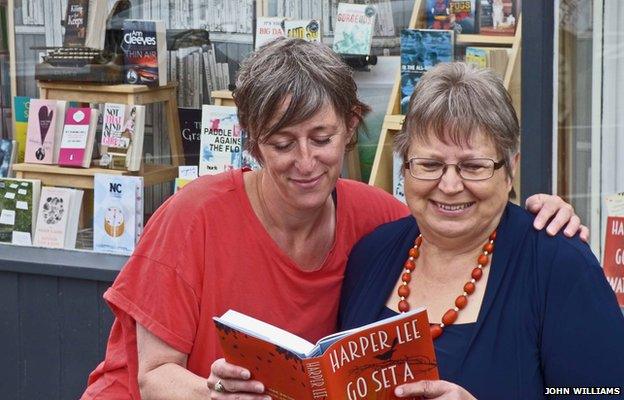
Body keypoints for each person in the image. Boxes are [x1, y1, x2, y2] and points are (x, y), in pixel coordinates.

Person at [82, 39, 587, 400]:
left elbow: (455, 213)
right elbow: (152, 376)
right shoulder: (194, 216)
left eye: (321, 139)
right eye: (282, 144)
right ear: (252, 140)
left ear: (349, 126)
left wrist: (542, 218)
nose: (305, 162)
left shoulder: (376, 218)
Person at [338, 62, 624, 399]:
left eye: (473, 167)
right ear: (405, 166)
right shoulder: (371, 254)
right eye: (429, 165)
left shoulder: (559, 266)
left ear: (510, 169)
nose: (449, 184)